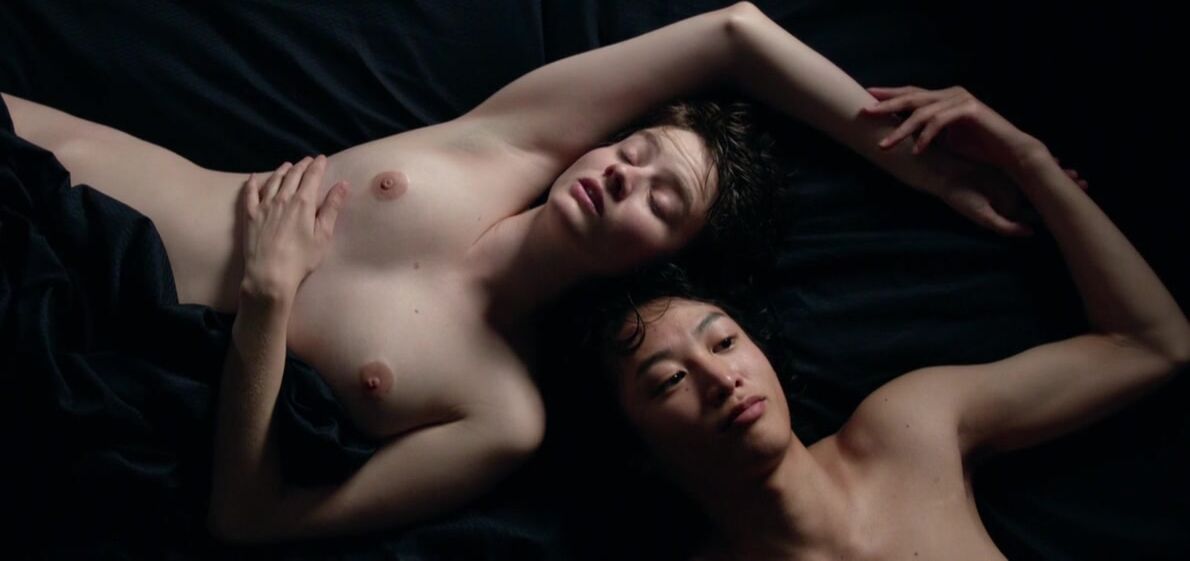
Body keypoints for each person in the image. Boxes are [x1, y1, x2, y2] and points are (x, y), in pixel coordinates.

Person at [2, 3, 1029, 542]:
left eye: (661, 199)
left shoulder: (501, 414)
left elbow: (249, 517)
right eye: (633, 152)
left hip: (55, 358)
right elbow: (735, 31)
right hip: (50, 169)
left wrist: (269, 300)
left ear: (666, 260)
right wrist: (914, 159)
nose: (623, 175)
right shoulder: (499, 145)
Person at [585, 86, 1190, 561]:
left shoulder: (907, 432)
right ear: (640, 451)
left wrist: (1029, 160)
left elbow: (1152, 343)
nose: (721, 379)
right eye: (669, 380)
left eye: (723, 342)